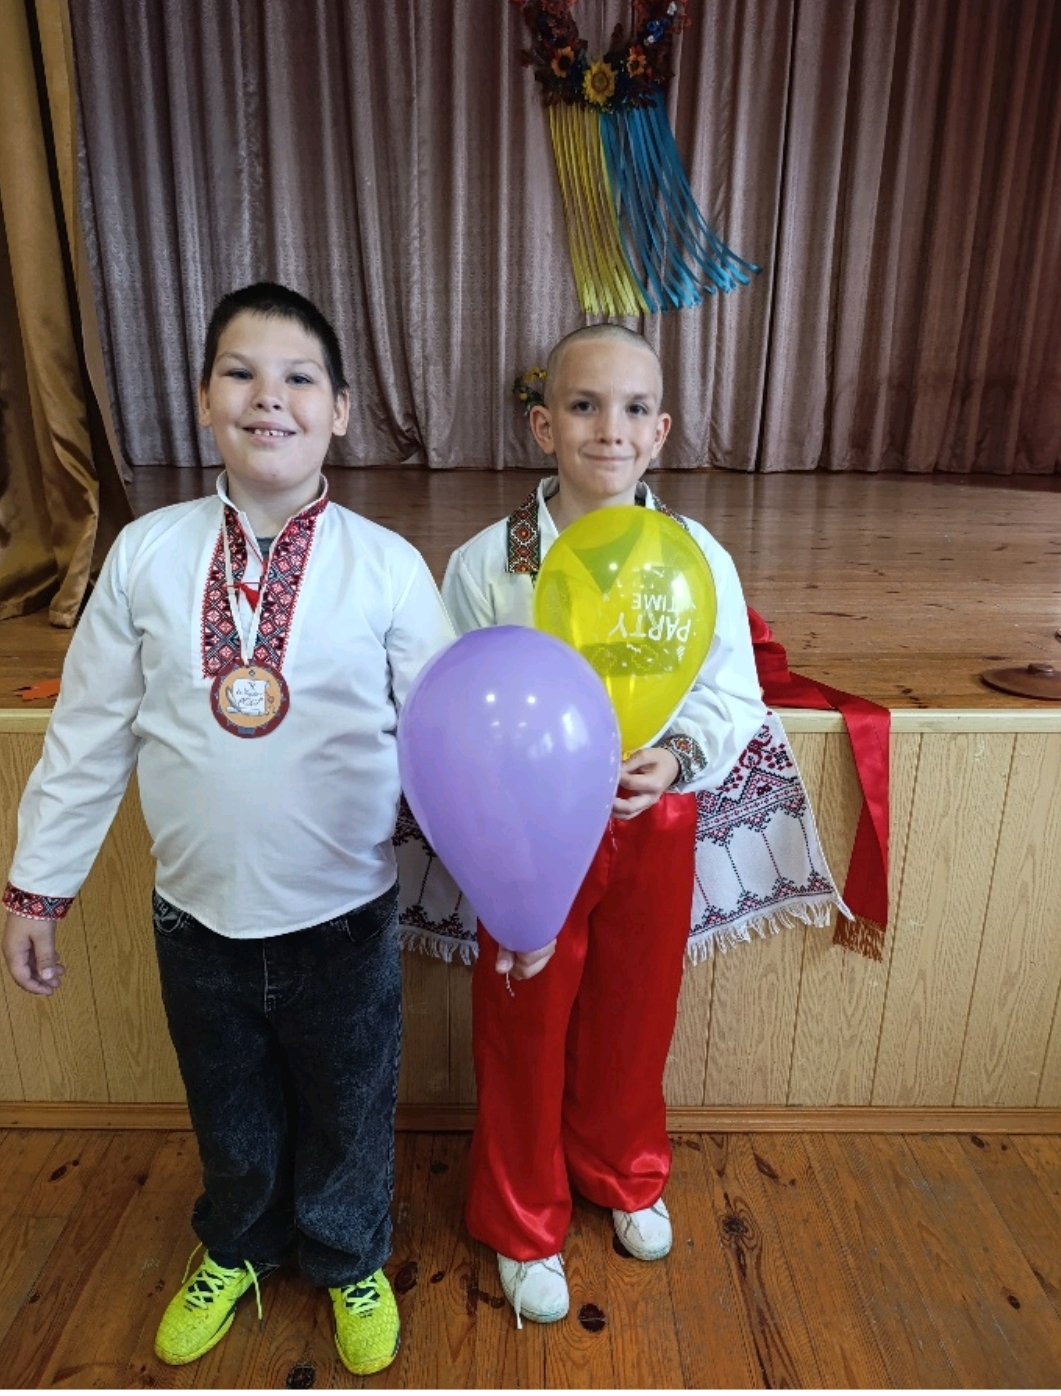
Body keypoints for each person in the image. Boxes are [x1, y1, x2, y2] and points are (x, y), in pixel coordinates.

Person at [1, 283, 454, 1374]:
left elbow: (448, 746)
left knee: (349, 1108)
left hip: (345, 921)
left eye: (299, 377)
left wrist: (505, 887)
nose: (269, 397)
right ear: (204, 400)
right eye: (240, 373)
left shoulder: (387, 566)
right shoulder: (144, 556)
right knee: (229, 1109)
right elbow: (87, 735)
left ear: (340, 410)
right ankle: (239, 1244)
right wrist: (36, 888)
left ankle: (347, 1257)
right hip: (195, 920)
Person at [441, 323, 766, 1326]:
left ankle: (620, 1169)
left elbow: (732, 691)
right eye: (582, 406)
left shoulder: (697, 557)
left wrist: (676, 757)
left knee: (635, 1009)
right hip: (528, 835)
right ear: (543, 425)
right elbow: (449, 698)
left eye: (632, 409)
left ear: (660, 430)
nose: (607, 429)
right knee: (524, 1019)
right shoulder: (489, 563)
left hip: (650, 817)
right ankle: (521, 1217)